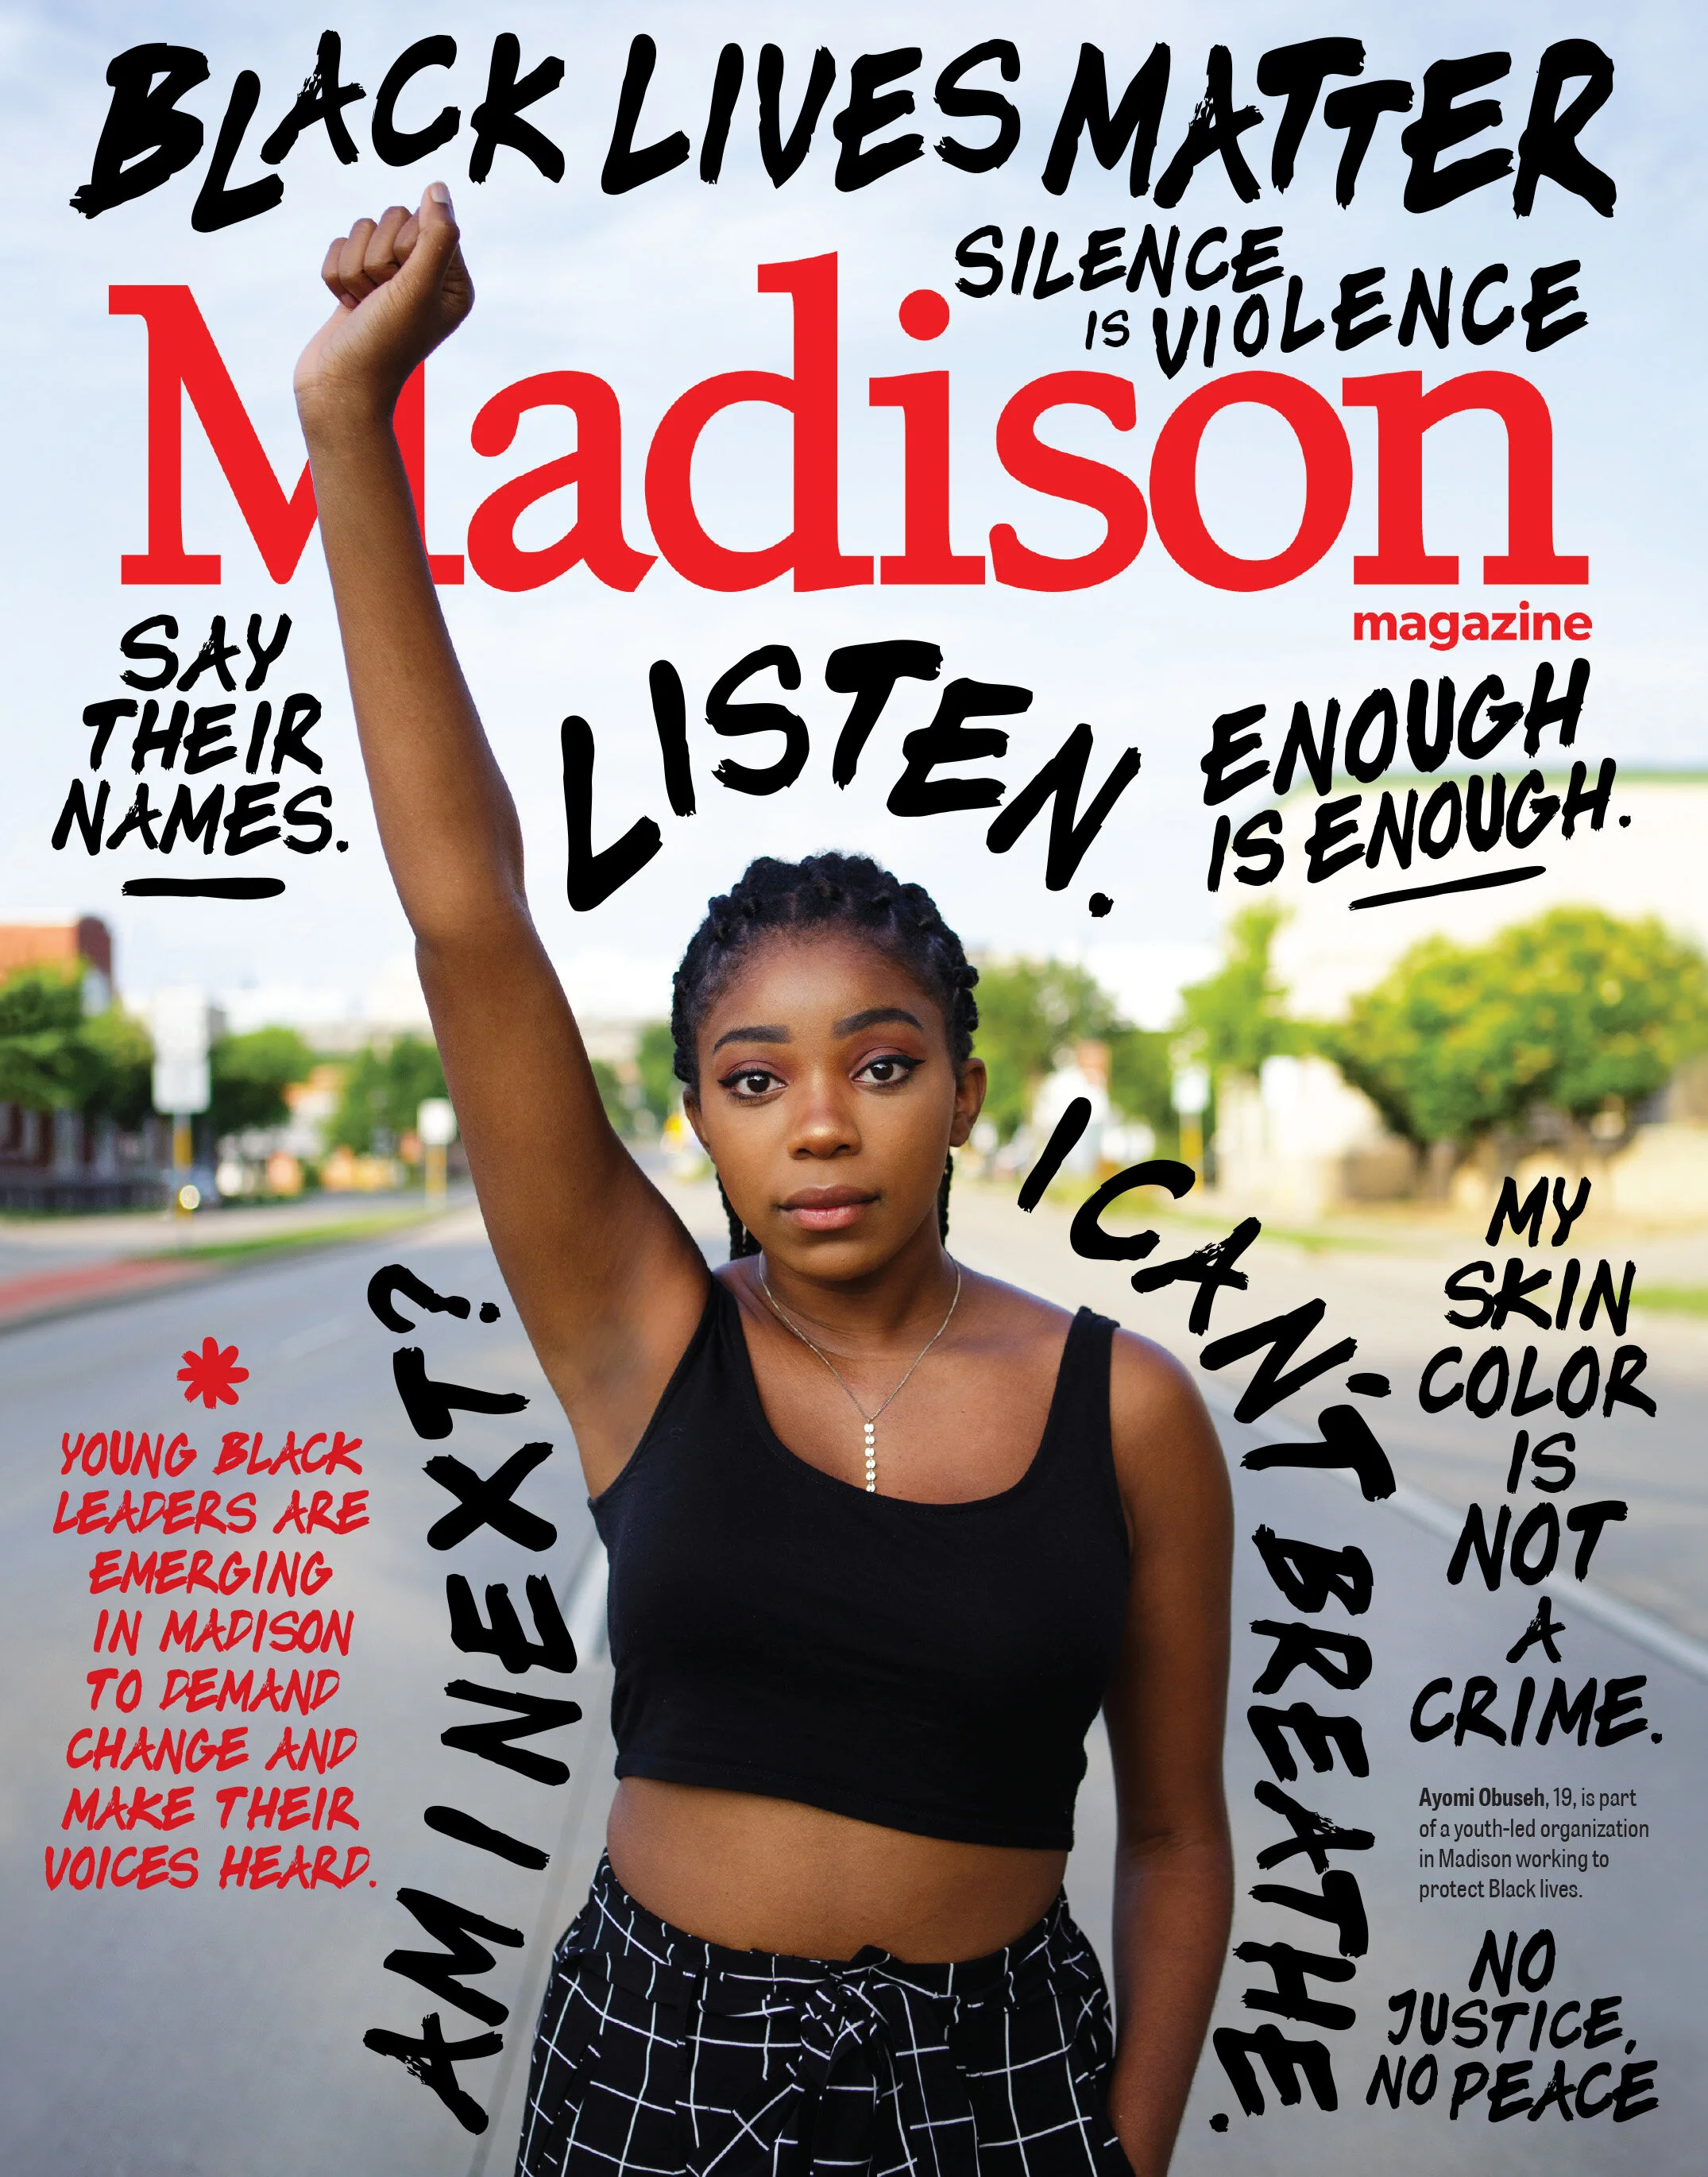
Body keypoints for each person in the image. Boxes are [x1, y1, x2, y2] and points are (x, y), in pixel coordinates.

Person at [296, 187, 1234, 2177]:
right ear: (700, 1118)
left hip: (1005, 2088)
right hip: (660, 2066)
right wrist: (350, 428)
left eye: (881, 1064)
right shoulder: (648, 1337)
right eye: (755, 1075)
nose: (820, 1119)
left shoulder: (1128, 1407)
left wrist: (1125, 2155)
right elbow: (468, 920)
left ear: (967, 1091)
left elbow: (1170, 1830)